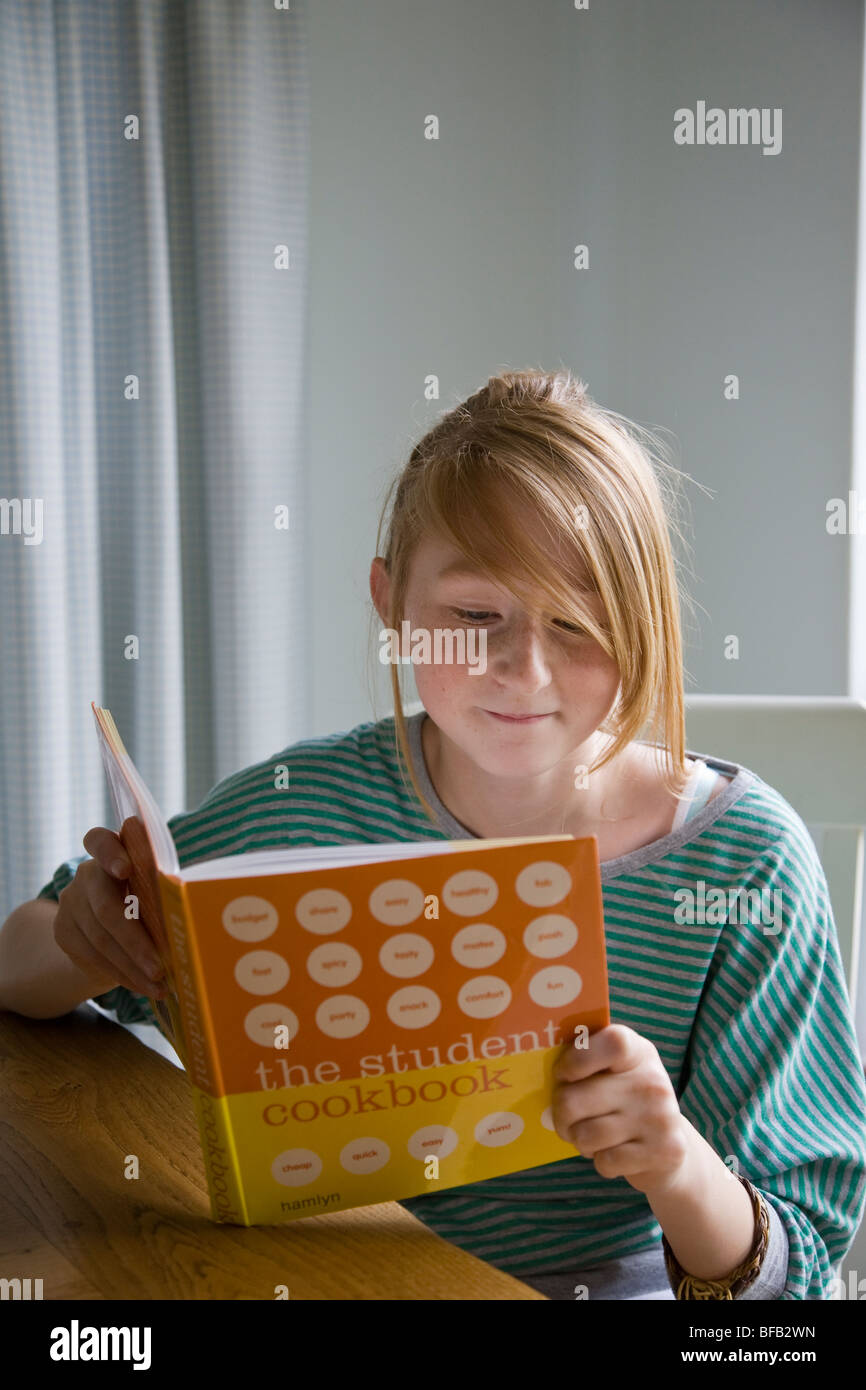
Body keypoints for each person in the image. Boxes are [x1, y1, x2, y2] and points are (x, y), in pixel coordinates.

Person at [2, 368, 864, 1301]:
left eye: (577, 623)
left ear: (644, 619)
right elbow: (18, 964)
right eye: (473, 615)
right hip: (332, 1275)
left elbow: (790, 1288)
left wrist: (677, 1164)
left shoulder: (745, 862)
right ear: (390, 603)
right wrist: (90, 935)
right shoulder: (301, 806)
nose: (522, 670)